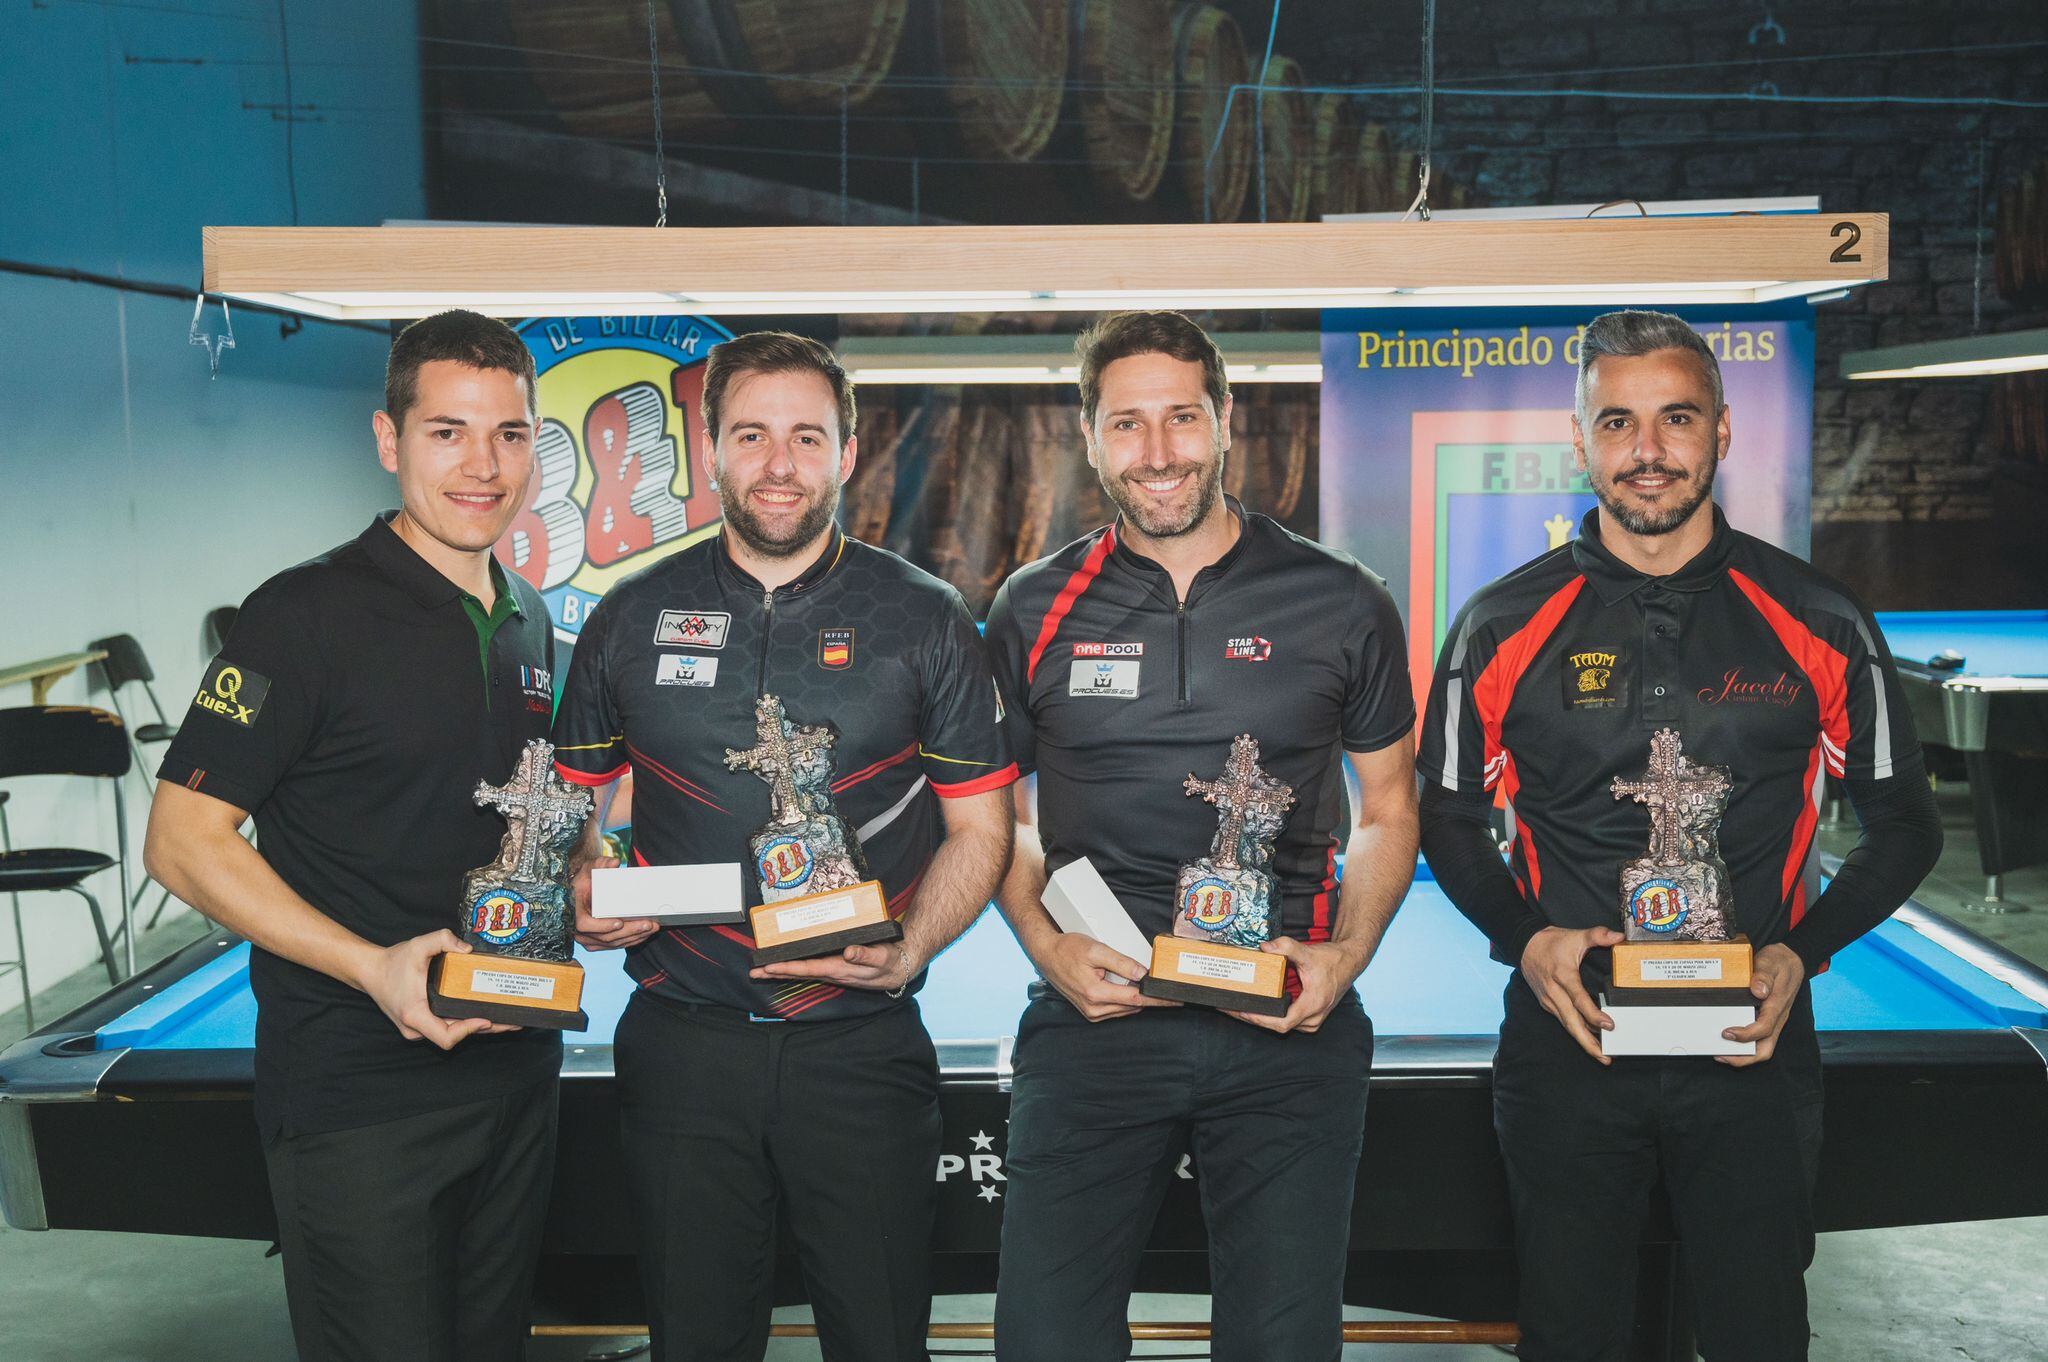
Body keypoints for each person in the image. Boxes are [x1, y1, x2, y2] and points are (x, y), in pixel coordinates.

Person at [1417, 308, 1944, 1361]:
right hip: (1569, 1049)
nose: (1645, 451)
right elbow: (1446, 817)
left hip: (1749, 1050)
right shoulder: (1496, 622)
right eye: (1616, 423)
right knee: (1570, 1339)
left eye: (1674, 419)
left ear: (1721, 431)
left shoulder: (1820, 616)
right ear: (1579, 442)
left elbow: (1904, 825)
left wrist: (1799, 952)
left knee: (1755, 1335)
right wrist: (1527, 940)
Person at [552, 331, 1016, 1362]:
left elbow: (981, 831)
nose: (777, 465)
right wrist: (585, 884)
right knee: (698, 1342)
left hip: (860, 1042)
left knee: (881, 1339)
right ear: (708, 446)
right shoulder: (628, 619)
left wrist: (909, 947)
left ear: (848, 454)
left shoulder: (925, 619)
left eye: (806, 437)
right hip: (682, 1043)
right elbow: (566, 822)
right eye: (750, 434)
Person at [981, 310, 1419, 1362]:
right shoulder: (1030, 607)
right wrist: (1048, 950)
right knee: (1043, 1343)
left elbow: (1391, 809)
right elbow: (992, 817)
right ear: (1087, 437)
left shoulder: (1341, 600)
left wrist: (1343, 959)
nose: (1158, 450)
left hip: (1285, 1031)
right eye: (1126, 424)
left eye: (1181, 417)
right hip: (1094, 1028)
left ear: (1224, 421)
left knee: (1281, 1346)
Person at [145, 310, 563, 1361]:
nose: (483, 465)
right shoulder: (302, 614)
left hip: (514, 1078)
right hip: (359, 1098)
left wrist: (587, 888)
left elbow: (509, 815)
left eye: (509, 434)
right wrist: (372, 966)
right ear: (388, 441)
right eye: (447, 432)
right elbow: (184, 840)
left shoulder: (530, 617)